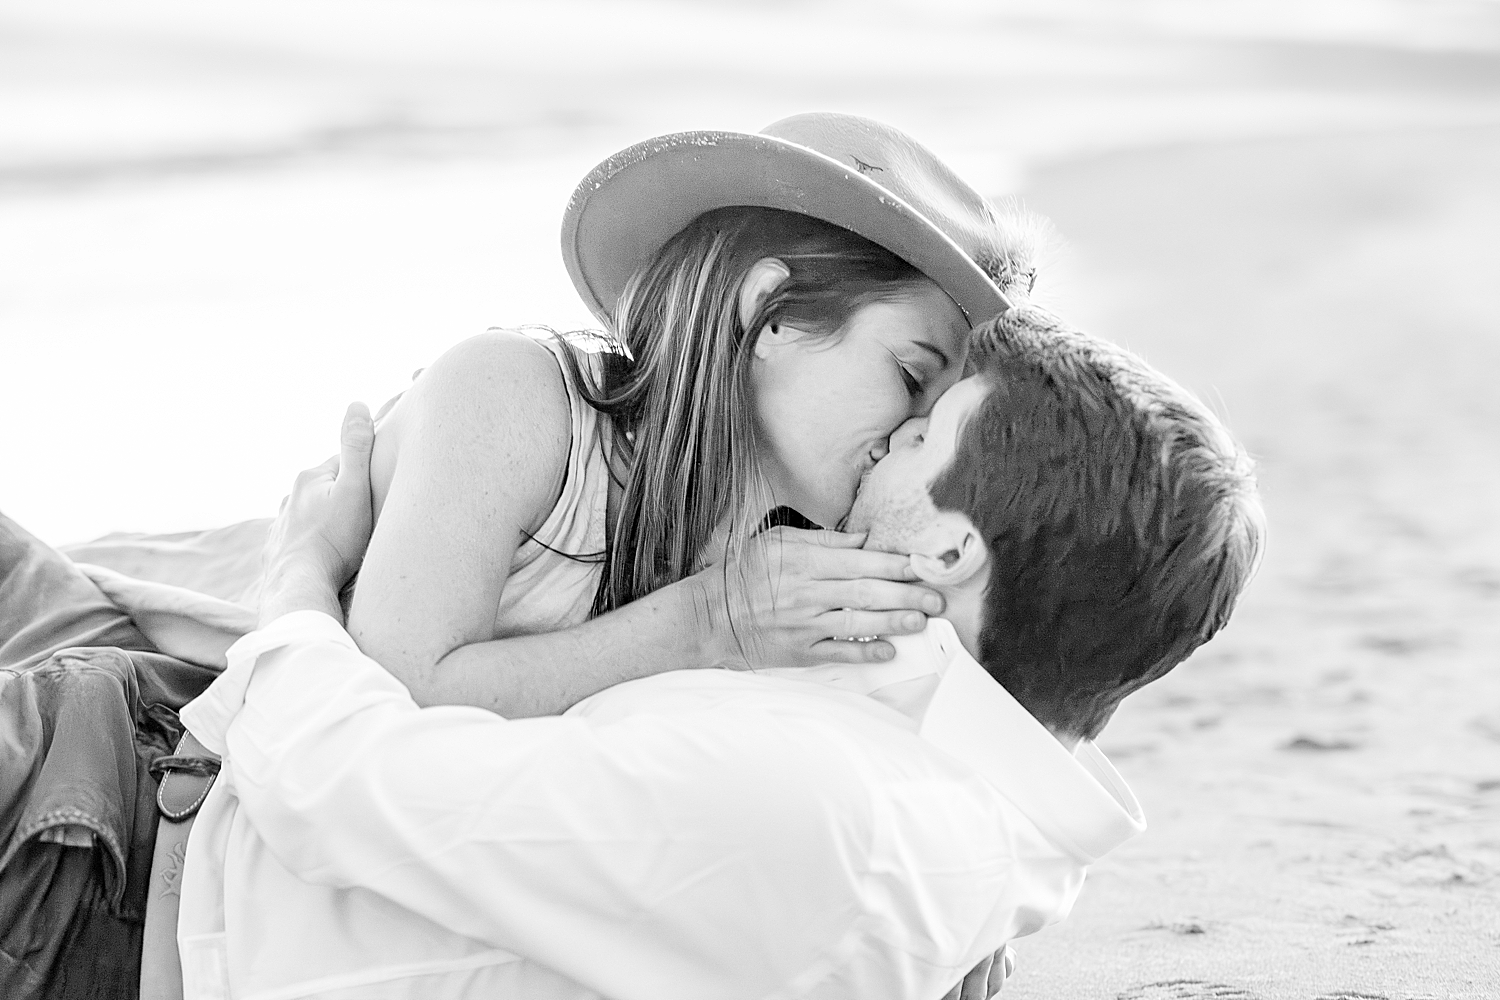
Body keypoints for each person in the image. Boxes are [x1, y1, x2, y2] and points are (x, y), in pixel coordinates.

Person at [168, 303, 1263, 1000]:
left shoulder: (831, 810)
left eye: (925, 436)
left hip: (128, 879)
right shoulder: (936, 789)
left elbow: (334, 783)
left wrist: (299, 571)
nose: (889, 444)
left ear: (950, 547)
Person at [76, 113, 1049, 722]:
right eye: (914, 373)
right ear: (770, 313)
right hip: (105, 640)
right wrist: (704, 620)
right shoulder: (517, 399)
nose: (918, 428)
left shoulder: (792, 544)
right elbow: (393, 694)